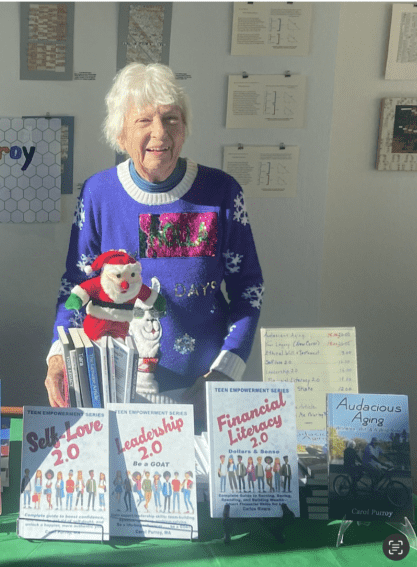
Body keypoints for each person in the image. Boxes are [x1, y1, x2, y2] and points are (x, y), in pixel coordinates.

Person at [44, 63, 264, 417]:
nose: (160, 133)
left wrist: (225, 371)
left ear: (185, 128)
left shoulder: (221, 192)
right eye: (143, 121)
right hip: (114, 390)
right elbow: (76, 285)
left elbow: (248, 289)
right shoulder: (98, 194)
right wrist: (58, 357)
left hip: (201, 390)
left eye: (171, 119)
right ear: (120, 135)